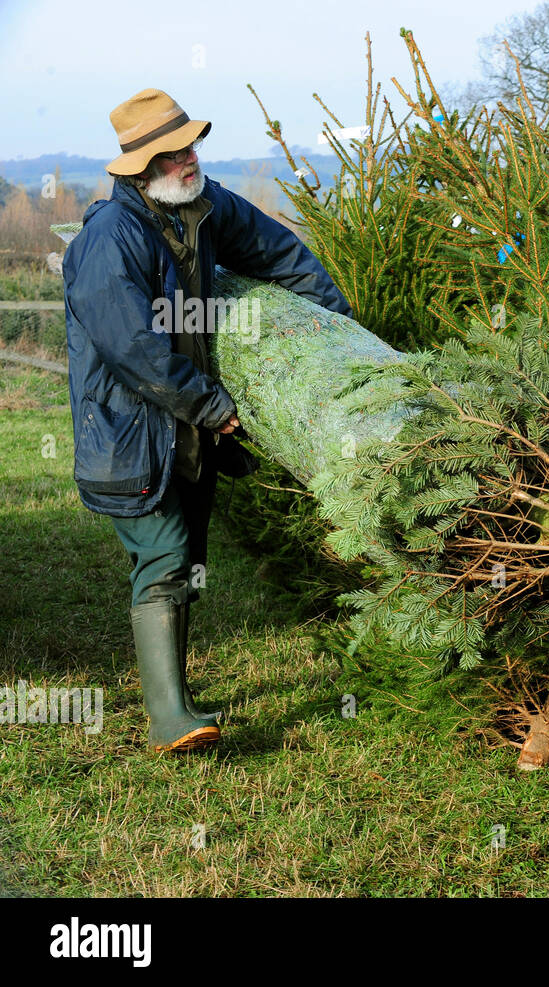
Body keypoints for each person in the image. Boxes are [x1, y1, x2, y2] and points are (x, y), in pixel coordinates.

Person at [62, 88, 351, 753]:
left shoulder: (205, 204)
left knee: (188, 555)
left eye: (190, 145)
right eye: (172, 153)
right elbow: (137, 350)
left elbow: (280, 254)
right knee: (163, 556)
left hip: (185, 428)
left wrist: (337, 332)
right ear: (139, 167)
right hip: (131, 435)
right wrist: (213, 407)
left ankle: (179, 700)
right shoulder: (110, 240)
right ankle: (167, 718)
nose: (189, 159)